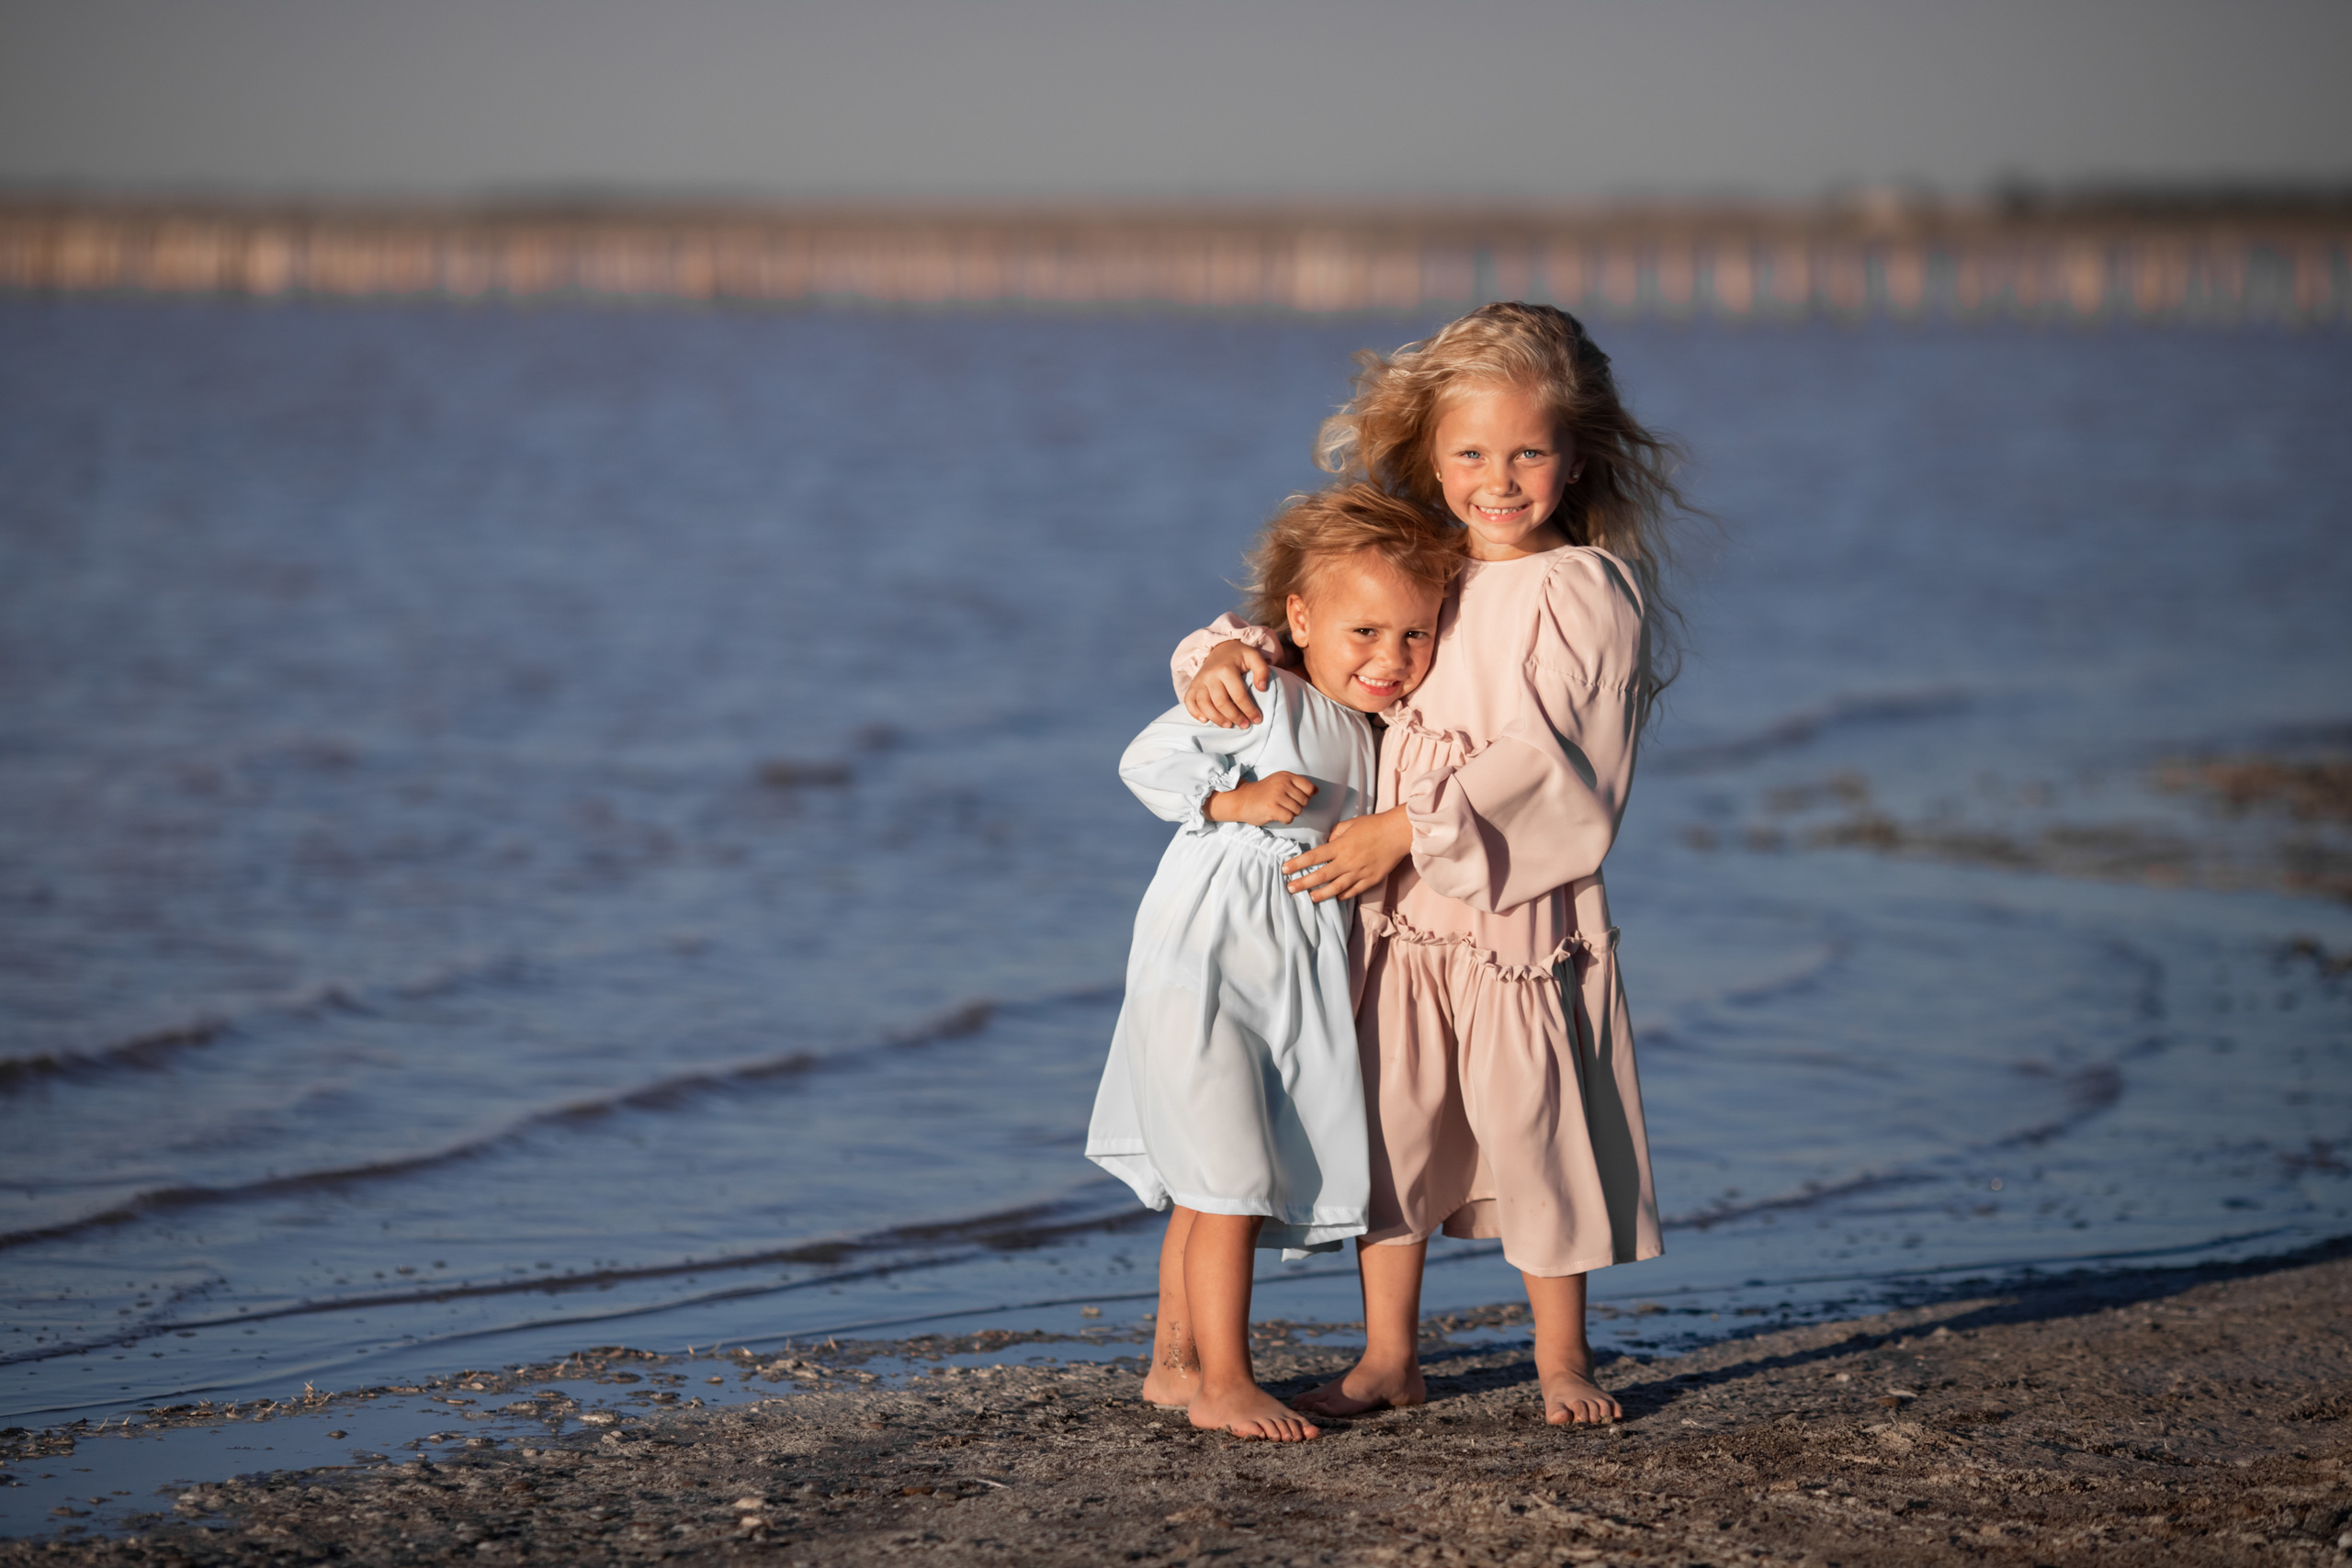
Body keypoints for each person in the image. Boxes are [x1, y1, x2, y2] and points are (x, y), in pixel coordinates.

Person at [1173, 302, 1685, 1427]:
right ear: (1430, 452)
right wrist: (1224, 655)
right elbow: (1310, 629)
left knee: (1533, 1122)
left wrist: (1402, 828)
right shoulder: (1426, 559)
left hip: (1510, 904)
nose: (1497, 480)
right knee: (1391, 1129)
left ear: (1576, 455)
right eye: (1470, 454)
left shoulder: (1581, 588)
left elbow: (1549, 754)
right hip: (1397, 914)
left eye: (1527, 453)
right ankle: (1386, 1358)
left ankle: (1562, 1356)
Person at [1090, 484, 1462, 1441]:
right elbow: (1145, 760)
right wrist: (1234, 800)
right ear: (1298, 619)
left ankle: (1174, 1367)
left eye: (1414, 636)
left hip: (1285, 969)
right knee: (1230, 1177)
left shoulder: (1374, 727)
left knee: (1216, 1170)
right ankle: (1225, 1383)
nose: (1390, 659)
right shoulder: (1264, 693)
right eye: (1364, 633)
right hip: (1209, 958)